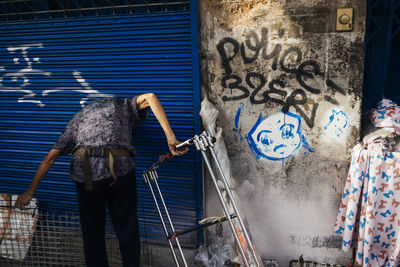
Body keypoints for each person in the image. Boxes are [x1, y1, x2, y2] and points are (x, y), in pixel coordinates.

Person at [13, 93, 188, 267]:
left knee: (93, 232)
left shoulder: (77, 120)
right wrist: (170, 137)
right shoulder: (123, 105)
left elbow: (49, 159)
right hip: (120, 167)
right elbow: (150, 97)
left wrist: (29, 193)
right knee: (127, 227)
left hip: (86, 172)